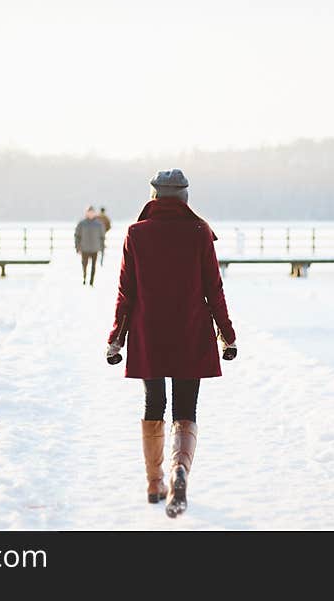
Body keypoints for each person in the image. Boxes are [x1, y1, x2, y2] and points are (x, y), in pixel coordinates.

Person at [106, 169, 237, 518]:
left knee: (153, 404)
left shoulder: (136, 233)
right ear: (184, 198)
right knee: (185, 409)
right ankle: (180, 472)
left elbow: (126, 291)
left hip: (149, 332)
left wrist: (116, 337)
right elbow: (214, 289)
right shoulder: (199, 233)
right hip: (191, 331)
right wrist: (227, 332)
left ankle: (154, 483)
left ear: (154, 197)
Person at [75, 206, 105, 286]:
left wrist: (102, 248)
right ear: (86, 213)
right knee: (84, 264)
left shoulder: (99, 224)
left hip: (95, 248)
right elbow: (77, 236)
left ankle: (91, 281)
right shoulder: (82, 223)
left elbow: (102, 237)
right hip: (84, 248)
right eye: (89, 212)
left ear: (94, 213)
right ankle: (84, 277)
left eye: (92, 212)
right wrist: (77, 247)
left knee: (93, 266)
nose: (91, 214)